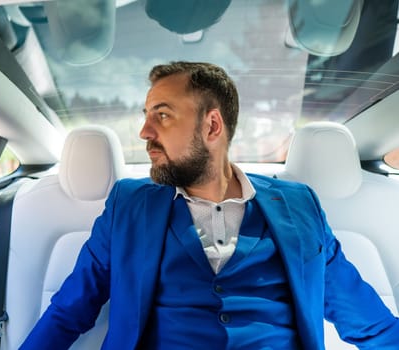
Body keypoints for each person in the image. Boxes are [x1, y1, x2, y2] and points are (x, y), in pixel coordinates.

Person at [20, 61, 399, 349]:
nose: (144, 132)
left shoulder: (300, 207)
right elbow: (69, 311)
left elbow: (369, 323)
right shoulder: (128, 205)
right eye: (146, 116)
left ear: (212, 126)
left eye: (162, 115)